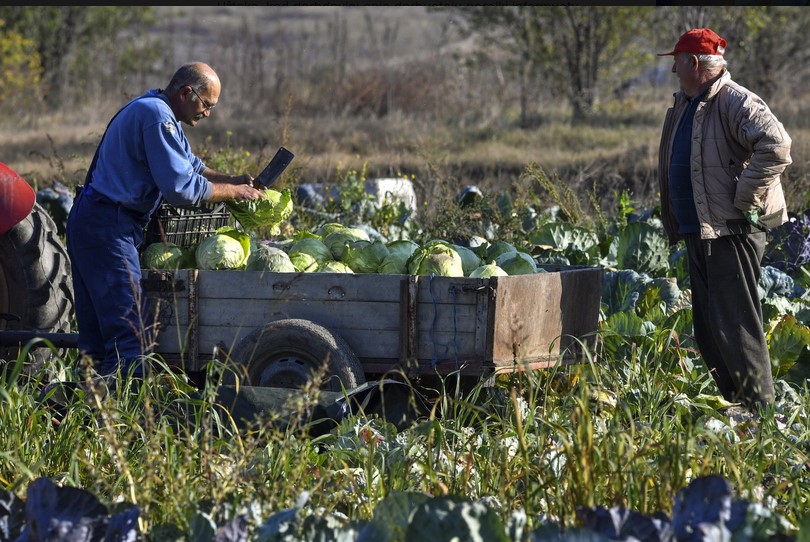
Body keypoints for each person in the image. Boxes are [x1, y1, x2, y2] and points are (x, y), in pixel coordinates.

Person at [66, 61, 265, 378]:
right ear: (187, 93)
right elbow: (181, 189)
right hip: (108, 226)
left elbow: (193, 167)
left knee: (99, 341)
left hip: (94, 220)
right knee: (130, 331)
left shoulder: (154, 109)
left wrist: (234, 178)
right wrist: (234, 192)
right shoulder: (157, 118)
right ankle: (124, 417)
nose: (208, 114)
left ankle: (90, 412)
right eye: (207, 105)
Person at [657, 28, 792, 412]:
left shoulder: (735, 101)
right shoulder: (690, 101)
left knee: (737, 326)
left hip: (730, 230)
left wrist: (748, 195)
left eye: (676, 63)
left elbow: (777, 146)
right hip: (701, 229)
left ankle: (759, 411)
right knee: (709, 329)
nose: (674, 72)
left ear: (694, 63)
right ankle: (738, 405)